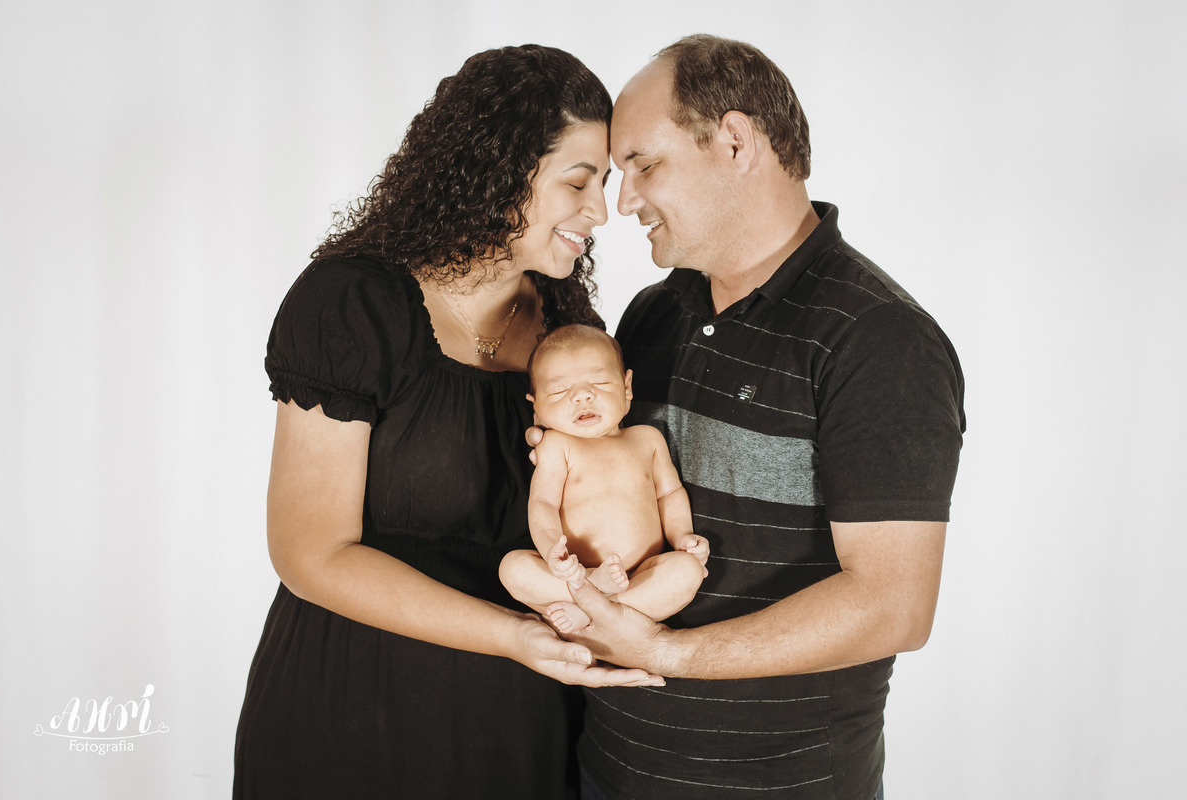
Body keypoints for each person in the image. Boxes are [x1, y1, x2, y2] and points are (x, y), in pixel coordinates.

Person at [533, 35, 967, 799]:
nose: (623, 202)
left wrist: (668, 653)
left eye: (643, 165)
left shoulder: (877, 338)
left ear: (735, 142)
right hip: (607, 767)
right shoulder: (654, 315)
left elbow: (892, 605)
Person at [232, 45, 664, 800]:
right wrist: (512, 636)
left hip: (519, 725)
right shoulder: (352, 304)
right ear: (500, 170)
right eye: (578, 182)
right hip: (355, 711)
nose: (601, 211)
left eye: (603, 184)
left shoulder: (568, 332)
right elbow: (309, 552)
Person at [498, 324, 709, 635]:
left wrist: (683, 536)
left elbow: (669, 493)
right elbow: (543, 503)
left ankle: (592, 609)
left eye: (599, 382)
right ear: (536, 405)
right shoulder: (556, 445)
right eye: (559, 390)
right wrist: (551, 551)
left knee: (687, 571)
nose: (582, 396)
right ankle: (595, 595)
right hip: (575, 572)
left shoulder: (647, 439)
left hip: (642, 572)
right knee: (513, 568)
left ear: (626, 387)